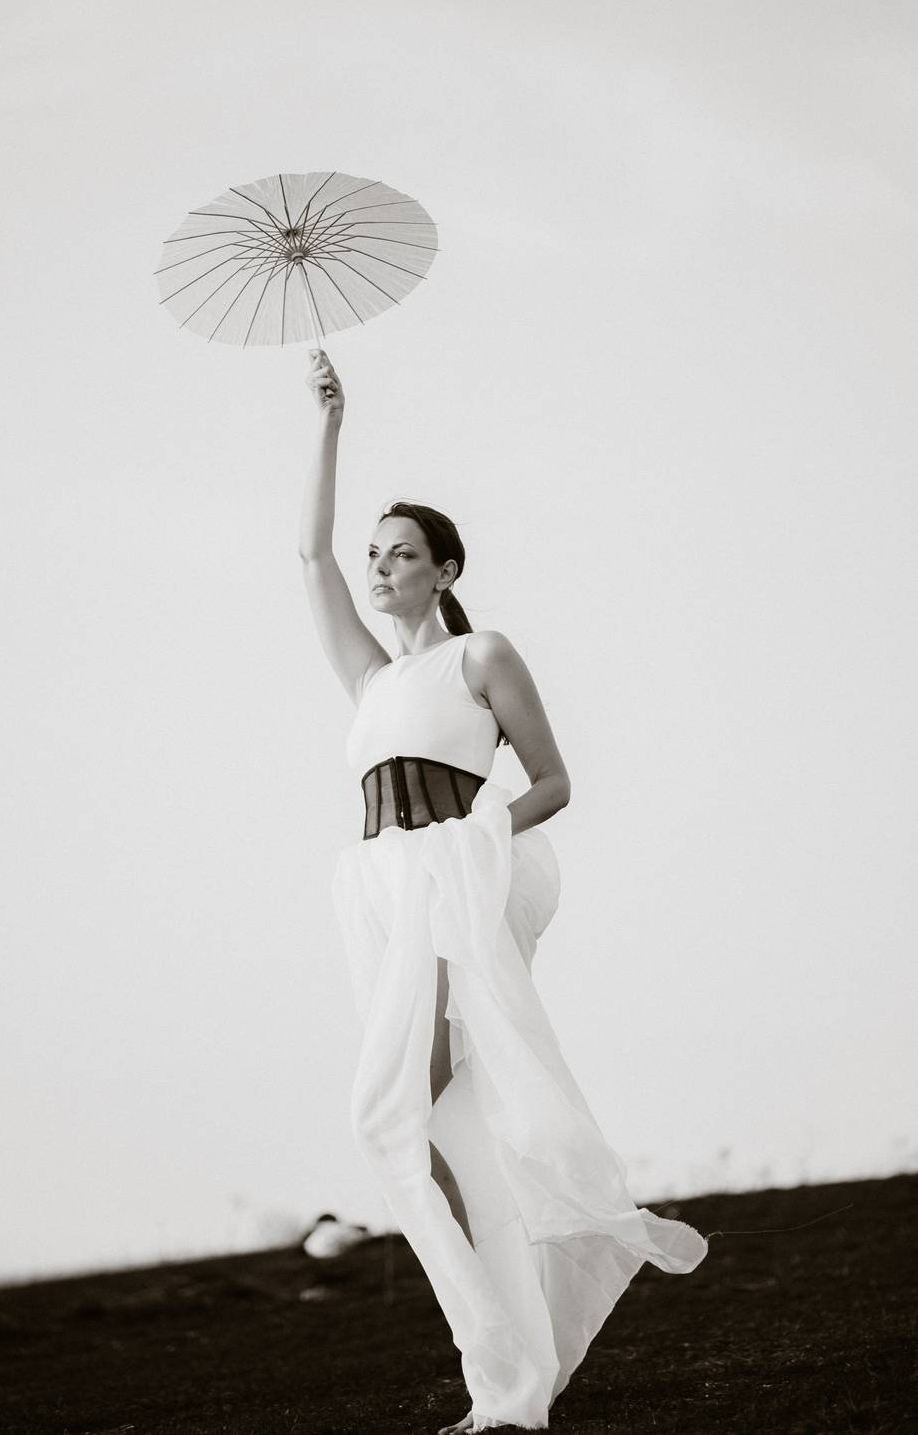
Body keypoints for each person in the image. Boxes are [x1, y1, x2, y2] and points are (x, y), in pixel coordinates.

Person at [299, 348, 707, 1434]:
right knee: (430, 1128)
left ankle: (511, 1371)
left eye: (401, 554)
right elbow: (307, 556)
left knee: (393, 1114)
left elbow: (556, 782)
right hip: (381, 897)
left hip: (452, 890)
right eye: (375, 554)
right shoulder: (370, 678)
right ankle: (508, 1375)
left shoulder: (480, 658)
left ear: (444, 570)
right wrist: (329, 425)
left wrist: (472, 842)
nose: (379, 567)